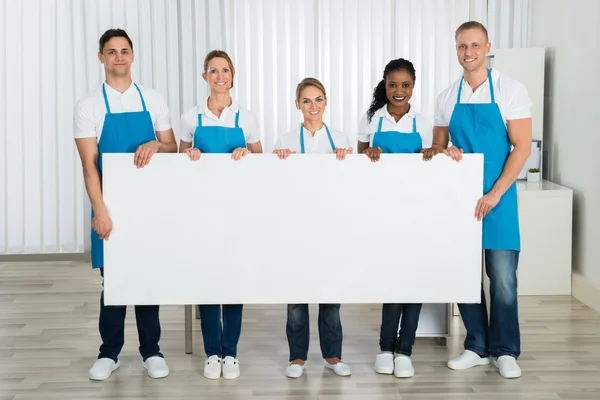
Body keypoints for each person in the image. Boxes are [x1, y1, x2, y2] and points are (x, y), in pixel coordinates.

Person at [422, 21, 532, 379]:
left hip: (498, 198)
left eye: (474, 45)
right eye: (461, 47)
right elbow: (436, 148)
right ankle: (477, 345)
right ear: (456, 50)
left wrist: (494, 193)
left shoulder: (510, 90)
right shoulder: (446, 96)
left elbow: (522, 147)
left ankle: (505, 351)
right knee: (464, 275)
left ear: (487, 47)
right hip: (460, 202)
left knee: (502, 278)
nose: (467, 52)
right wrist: (445, 150)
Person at [73, 28, 176, 381]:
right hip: (111, 206)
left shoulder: (153, 99)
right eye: (111, 51)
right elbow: (89, 164)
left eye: (125, 50)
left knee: (146, 277)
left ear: (133, 55)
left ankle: (152, 351)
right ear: (101, 57)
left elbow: (172, 148)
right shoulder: (88, 105)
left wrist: (155, 145)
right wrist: (100, 211)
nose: (119, 56)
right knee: (113, 280)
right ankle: (109, 353)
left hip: (150, 206)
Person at [179, 50, 263, 380]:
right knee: (208, 280)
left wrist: (246, 154)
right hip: (202, 211)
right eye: (213, 70)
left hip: (237, 211)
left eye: (225, 70)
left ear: (233, 74)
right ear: (205, 77)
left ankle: (231, 352)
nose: (219, 76)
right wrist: (189, 152)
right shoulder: (190, 118)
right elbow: (178, 161)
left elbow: (262, 164)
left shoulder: (247, 118)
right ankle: (212, 352)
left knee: (233, 280)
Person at [357, 58, 433, 378]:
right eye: (392, 85)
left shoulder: (425, 123)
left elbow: (435, 167)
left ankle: (405, 351)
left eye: (405, 85)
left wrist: (431, 156)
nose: (398, 91)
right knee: (393, 280)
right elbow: (358, 159)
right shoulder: (372, 119)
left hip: (416, 212)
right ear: (384, 85)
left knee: (412, 281)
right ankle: (385, 348)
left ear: (413, 86)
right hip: (384, 211)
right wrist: (368, 154)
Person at [273, 77, 353, 378]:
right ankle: (297, 359)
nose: (313, 106)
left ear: (326, 102)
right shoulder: (285, 141)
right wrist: (279, 162)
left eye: (318, 99)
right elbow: (275, 186)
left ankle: (333, 356)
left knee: (330, 296)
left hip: (331, 228)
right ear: (297, 105)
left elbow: (351, 185)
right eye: (306, 100)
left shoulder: (341, 139)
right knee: (296, 298)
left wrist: (345, 162)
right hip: (296, 228)